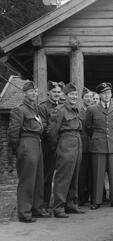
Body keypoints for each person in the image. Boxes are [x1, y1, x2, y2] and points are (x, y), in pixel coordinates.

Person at [8, 81, 49, 223]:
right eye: (30, 91)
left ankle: (36, 209)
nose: (34, 93)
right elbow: (13, 132)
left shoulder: (34, 109)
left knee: (38, 178)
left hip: (37, 143)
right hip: (26, 143)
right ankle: (24, 213)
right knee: (27, 180)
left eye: (35, 91)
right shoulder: (19, 109)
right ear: (24, 93)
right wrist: (18, 149)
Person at [85, 82, 113, 210]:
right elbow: (88, 127)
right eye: (103, 93)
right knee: (98, 174)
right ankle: (97, 201)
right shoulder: (92, 109)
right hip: (98, 145)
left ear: (111, 94)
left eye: (108, 93)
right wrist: (97, 136)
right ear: (99, 95)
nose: (106, 95)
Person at [48, 83, 85, 218]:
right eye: (71, 94)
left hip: (77, 141)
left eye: (76, 94)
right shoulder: (60, 110)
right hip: (66, 142)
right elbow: (52, 132)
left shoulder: (76, 109)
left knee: (74, 175)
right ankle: (58, 208)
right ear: (65, 96)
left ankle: (72, 204)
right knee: (63, 177)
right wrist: (57, 147)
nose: (74, 97)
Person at [38, 81, 63, 211]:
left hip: (63, 146)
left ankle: (61, 204)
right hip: (48, 147)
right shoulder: (43, 107)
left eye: (59, 92)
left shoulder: (63, 107)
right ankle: (43, 204)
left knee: (62, 176)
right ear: (49, 93)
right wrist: (54, 143)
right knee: (46, 177)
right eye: (54, 92)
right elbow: (44, 127)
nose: (56, 94)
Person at [78, 88, 93, 206]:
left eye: (90, 97)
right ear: (82, 98)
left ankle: (94, 197)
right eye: (86, 97)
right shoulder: (79, 112)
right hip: (83, 146)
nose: (88, 99)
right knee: (82, 174)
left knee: (92, 174)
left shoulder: (95, 111)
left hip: (94, 146)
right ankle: (81, 198)